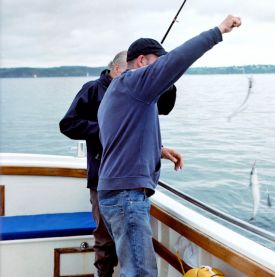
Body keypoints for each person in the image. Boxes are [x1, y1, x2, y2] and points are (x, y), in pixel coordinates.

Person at [97, 15, 241, 276]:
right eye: (156, 63)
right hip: (126, 196)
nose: (160, 70)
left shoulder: (118, 90)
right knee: (141, 273)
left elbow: (120, 140)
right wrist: (218, 31)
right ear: (141, 61)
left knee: (133, 270)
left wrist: (158, 151)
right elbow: (178, 59)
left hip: (115, 192)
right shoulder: (134, 82)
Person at [59, 51, 177, 277]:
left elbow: (165, 106)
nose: (132, 78)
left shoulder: (136, 90)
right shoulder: (93, 90)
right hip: (103, 177)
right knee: (105, 242)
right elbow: (68, 124)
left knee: (130, 248)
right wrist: (106, 129)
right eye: (127, 74)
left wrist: (159, 151)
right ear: (115, 69)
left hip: (132, 182)